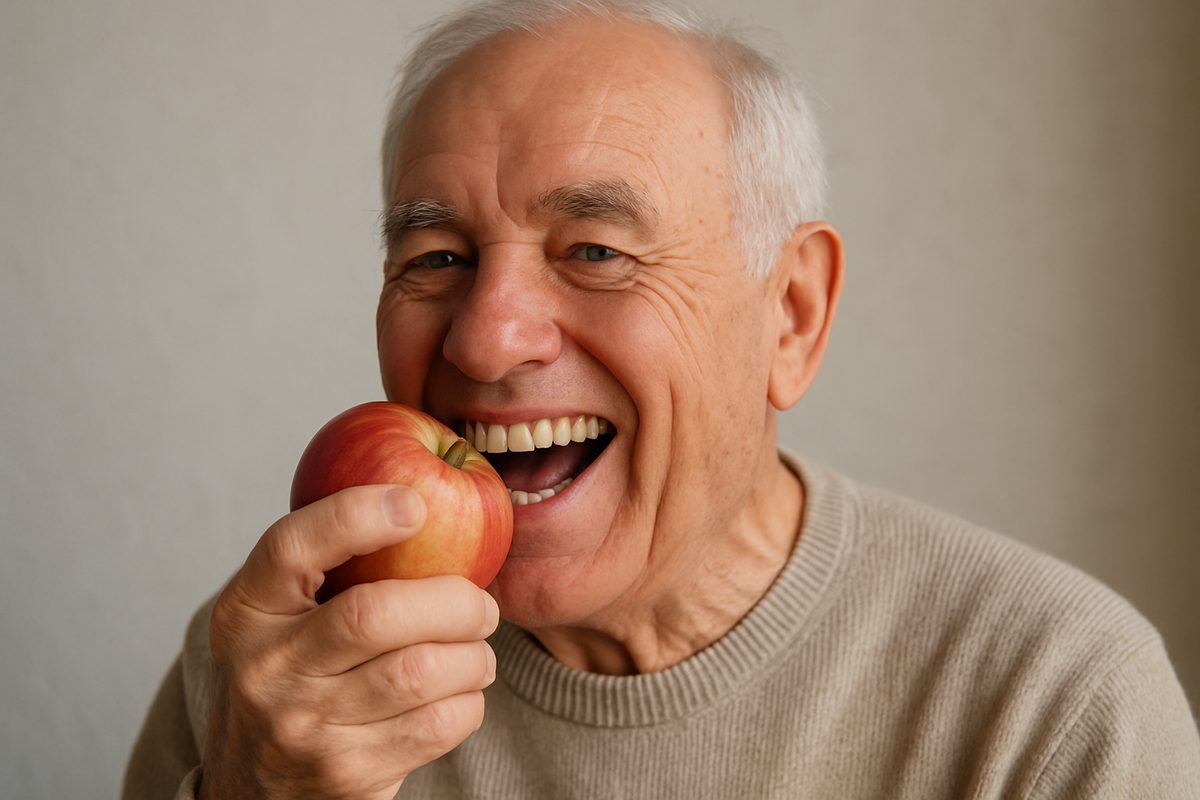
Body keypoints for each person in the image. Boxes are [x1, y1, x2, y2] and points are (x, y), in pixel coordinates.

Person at [123, 0, 1200, 797]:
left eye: (595, 248)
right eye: (437, 256)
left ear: (791, 315)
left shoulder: (1053, 701)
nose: (488, 338)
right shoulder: (279, 668)